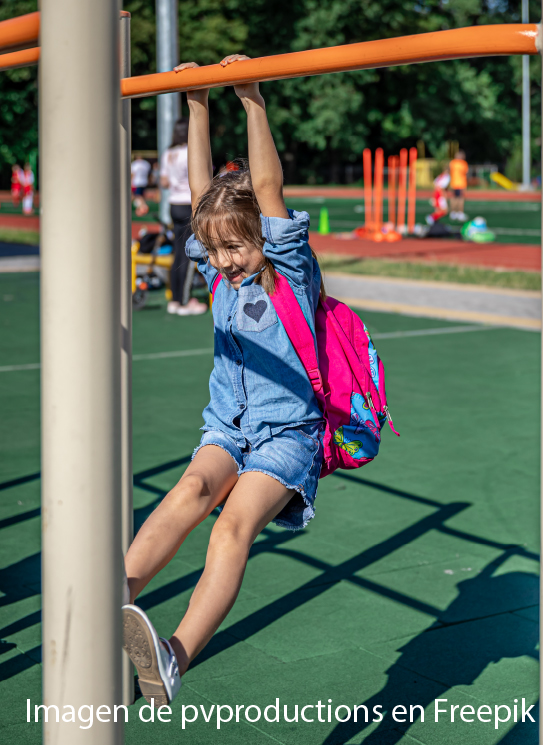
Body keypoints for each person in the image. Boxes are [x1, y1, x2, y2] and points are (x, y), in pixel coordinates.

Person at [119, 60, 324, 706]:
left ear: (263, 239)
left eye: (237, 248)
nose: (226, 261)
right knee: (191, 488)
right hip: (227, 427)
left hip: (285, 437)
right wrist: (198, 105)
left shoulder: (281, 267)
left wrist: (250, 99)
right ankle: (114, 595)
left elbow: (263, 187)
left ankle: (174, 656)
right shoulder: (218, 267)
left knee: (229, 527)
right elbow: (207, 196)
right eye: (215, 250)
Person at [160, 123, 208, 316]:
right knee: (189, 255)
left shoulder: (168, 154)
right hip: (189, 204)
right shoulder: (191, 152)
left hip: (173, 204)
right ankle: (184, 301)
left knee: (177, 253)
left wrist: (175, 182)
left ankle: (175, 299)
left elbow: (163, 182)